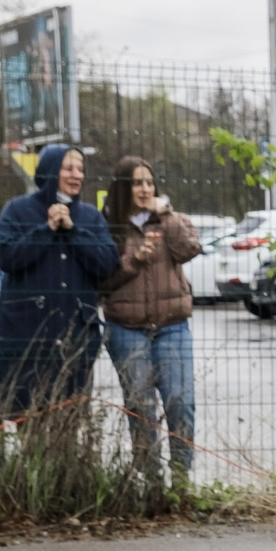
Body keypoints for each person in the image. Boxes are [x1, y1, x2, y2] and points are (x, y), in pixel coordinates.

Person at [0, 144, 117, 421]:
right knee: (27, 418)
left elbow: (107, 263)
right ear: (49, 170)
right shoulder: (17, 210)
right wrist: (46, 229)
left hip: (76, 336)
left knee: (70, 418)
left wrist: (73, 231)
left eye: (81, 169)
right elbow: (6, 258)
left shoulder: (91, 217)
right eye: (68, 167)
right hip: (28, 336)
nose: (76, 175)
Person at [98, 156, 203, 484]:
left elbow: (189, 248)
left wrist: (165, 214)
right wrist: (133, 260)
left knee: (180, 403)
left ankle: (181, 482)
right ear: (122, 188)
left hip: (171, 327)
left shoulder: (171, 219)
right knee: (141, 408)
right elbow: (101, 279)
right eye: (136, 182)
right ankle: (153, 483)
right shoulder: (107, 226)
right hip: (126, 329)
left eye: (148, 182)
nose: (144, 188)